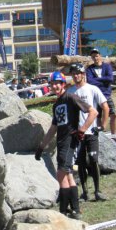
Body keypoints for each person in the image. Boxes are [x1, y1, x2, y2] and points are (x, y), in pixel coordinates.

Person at [35, 71, 98, 220]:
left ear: (63, 84)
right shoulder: (57, 104)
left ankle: (63, 210)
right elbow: (53, 128)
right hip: (61, 142)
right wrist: (42, 146)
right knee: (68, 175)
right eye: (52, 83)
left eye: (58, 83)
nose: (55, 86)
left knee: (61, 174)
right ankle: (75, 209)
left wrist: (82, 129)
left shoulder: (70, 97)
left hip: (70, 141)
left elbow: (93, 112)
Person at [67, 63, 109, 202]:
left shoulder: (92, 89)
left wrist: (103, 124)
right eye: (73, 73)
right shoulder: (70, 91)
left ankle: (98, 191)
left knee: (93, 160)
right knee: (79, 162)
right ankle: (85, 192)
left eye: (78, 73)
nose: (76, 75)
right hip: (76, 133)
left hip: (91, 132)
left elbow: (105, 106)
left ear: (83, 74)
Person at [86, 48, 116, 134]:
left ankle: (114, 136)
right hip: (95, 96)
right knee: (97, 116)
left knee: (113, 114)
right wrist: (103, 81)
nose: (95, 58)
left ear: (100, 56)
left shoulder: (107, 66)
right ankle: (100, 136)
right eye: (93, 56)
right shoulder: (89, 69)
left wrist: (98, 80)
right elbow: (90, 81)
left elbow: (110, 79)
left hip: (106, 94)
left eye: (96, 56)